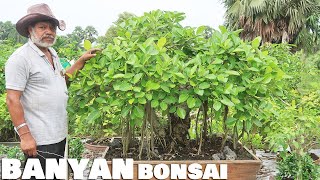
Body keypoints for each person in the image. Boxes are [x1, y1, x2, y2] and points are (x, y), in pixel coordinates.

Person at [5, 3, 99, 178]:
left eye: (52, 28)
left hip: (58, 134)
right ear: (29, 30)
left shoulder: (52, 53)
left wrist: (80, 61)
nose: (49, 31)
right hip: (39, 139)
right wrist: (25, 137)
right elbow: (12, 99)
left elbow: (61, 80)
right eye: (42, 27)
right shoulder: (20, 59)